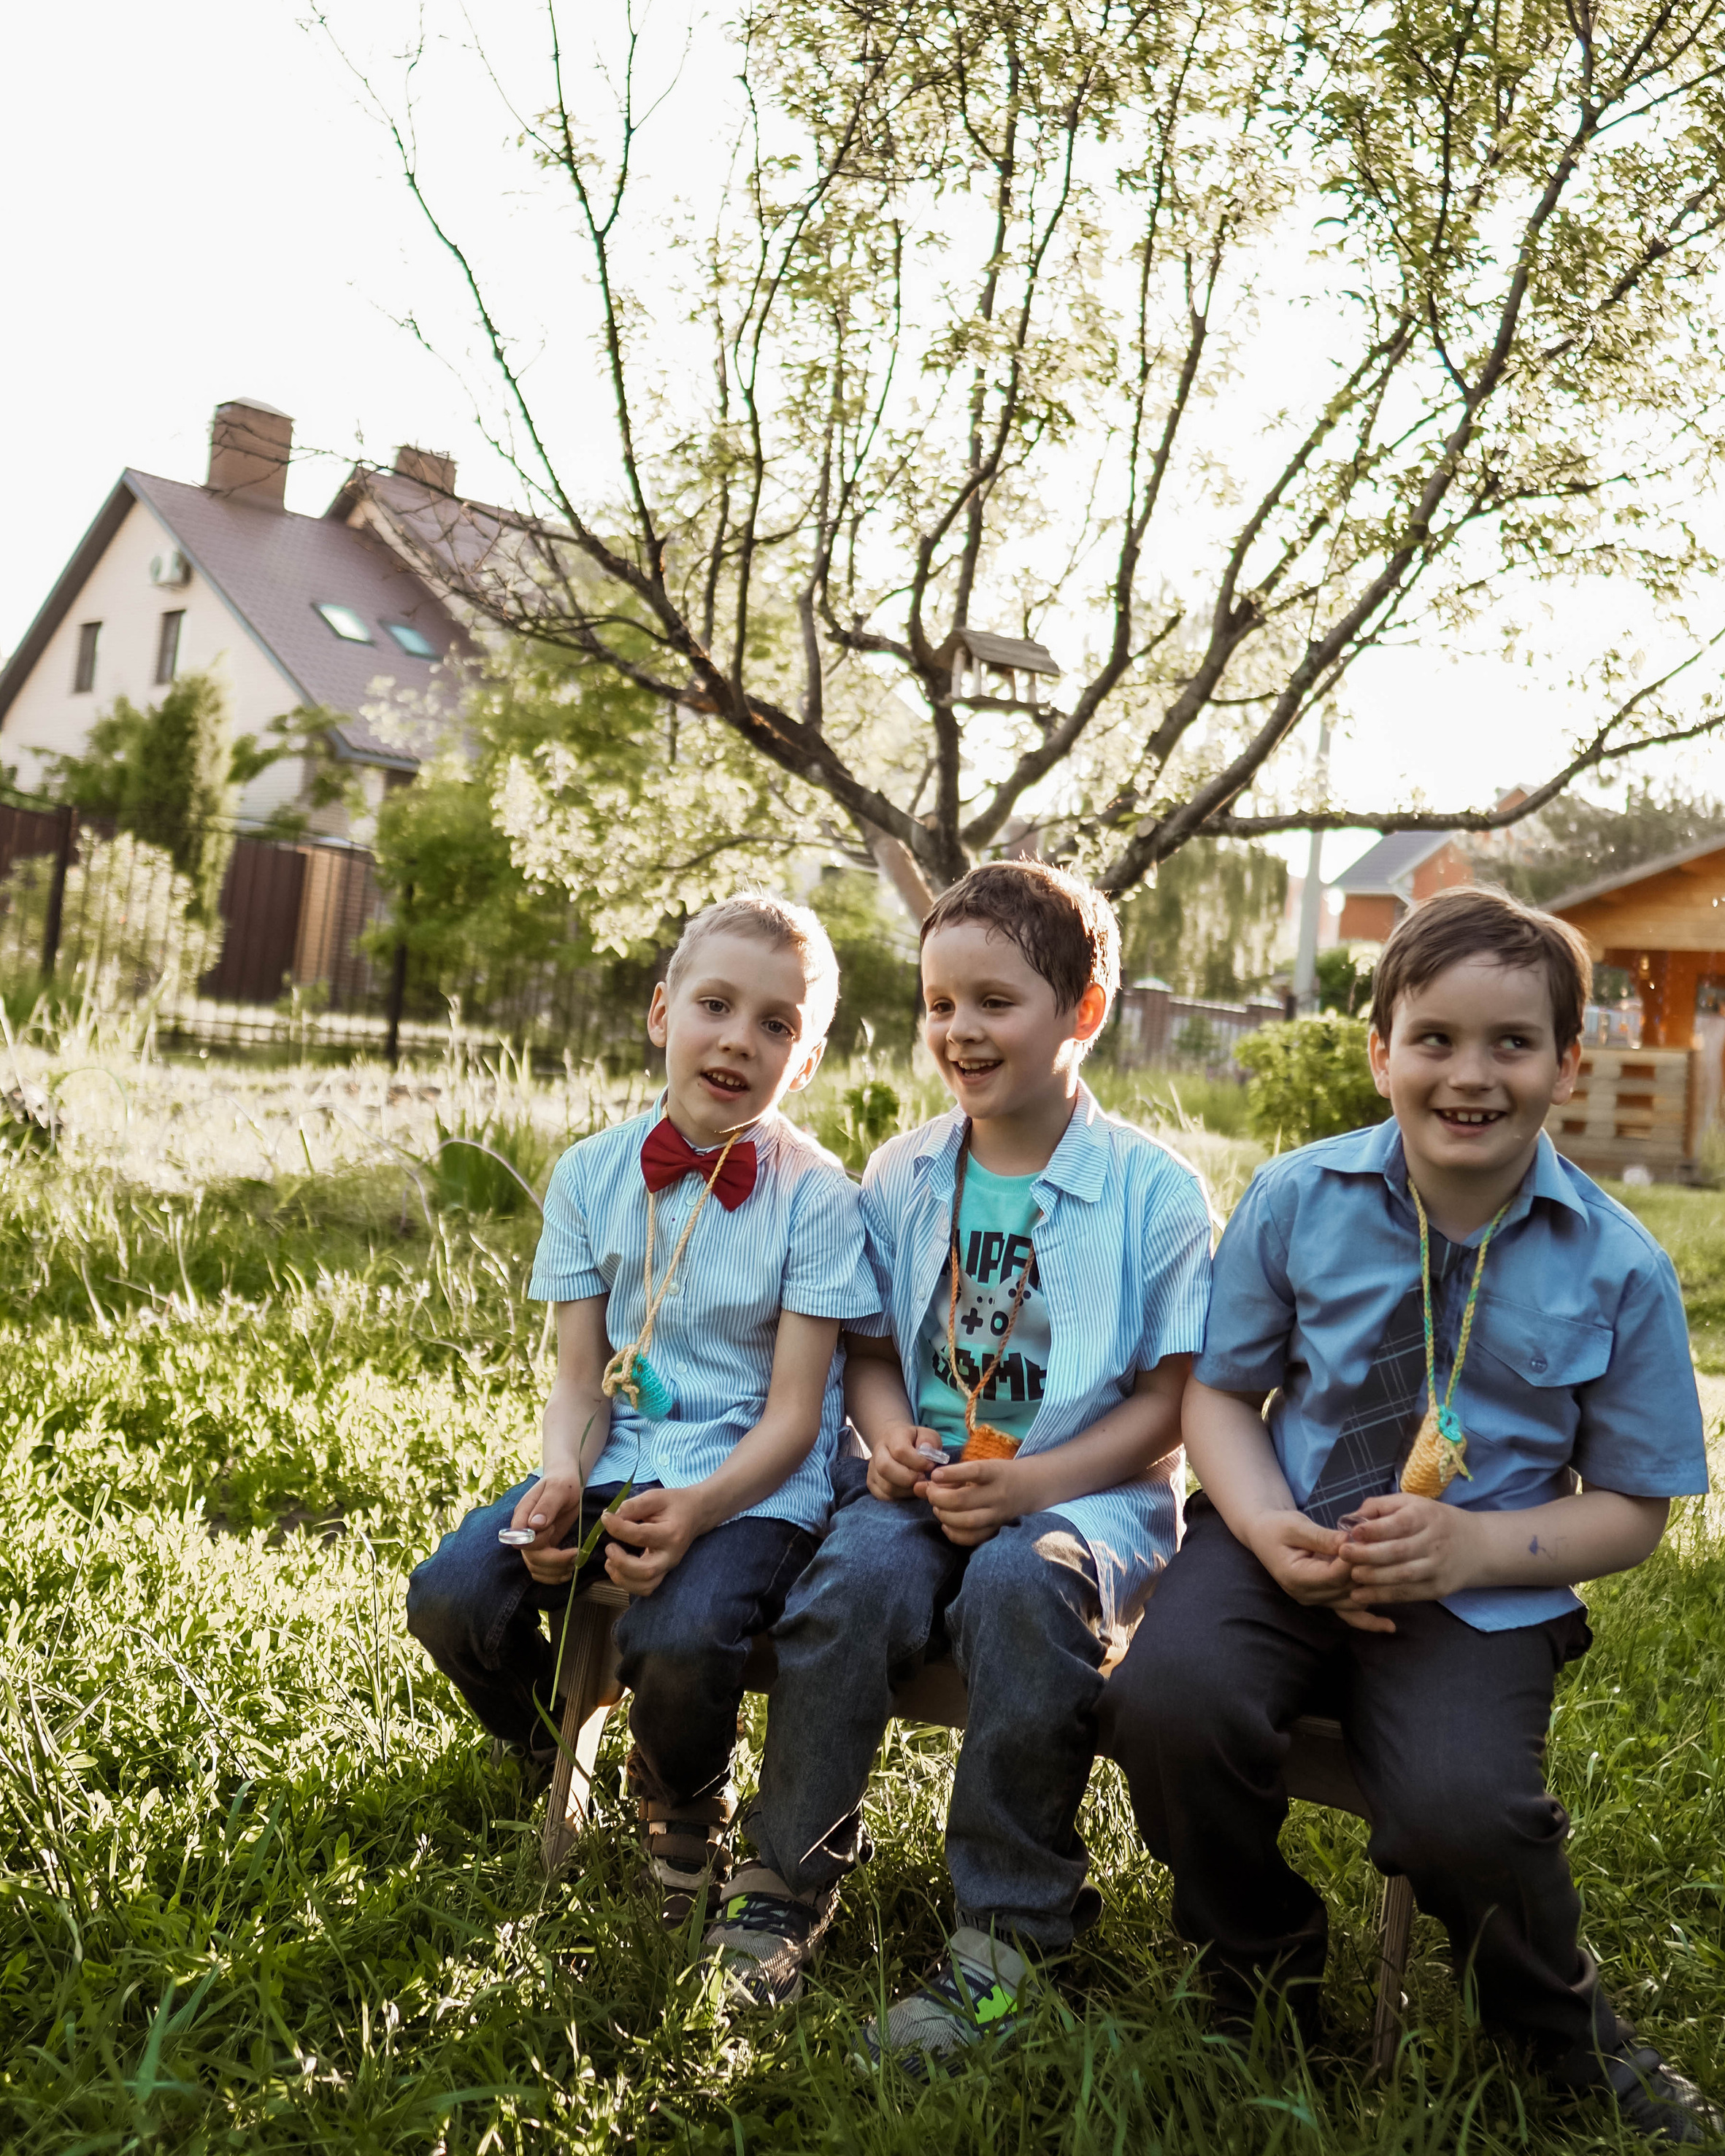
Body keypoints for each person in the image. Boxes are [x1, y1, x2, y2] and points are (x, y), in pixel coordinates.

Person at [1100, 886, 1723, 2144]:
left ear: (1567, 1063)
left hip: (1476, 1588)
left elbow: (1636, 1508)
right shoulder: (1295, 1197)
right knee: (1165, 1702)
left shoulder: (1617, 1264)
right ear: (1380, 1048)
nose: (1470, 1074)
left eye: (1512, 1043)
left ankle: (1558, 2031)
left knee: (1463, 1808)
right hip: (1285, 1539)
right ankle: (1256, 1965)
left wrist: (1476, 1546)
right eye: (1435, 1038)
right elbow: (1222, 1393)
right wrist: (1266, 1522)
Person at [704, 860, 1213, 2072]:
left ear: (1083, 1012)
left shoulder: (1154, 1191)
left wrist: (1036, 1486)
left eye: (996, 1002)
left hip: (1086, 1500)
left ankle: (1011, 1934)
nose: (960, 1031)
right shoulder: (907, 1171)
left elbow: (1177, 1403)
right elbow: (872, 1353)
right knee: (851, 1585)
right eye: (939, 1003)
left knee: (1018, 1591)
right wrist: (887, 1442)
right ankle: (787, 1871)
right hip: (926, 1488)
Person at [405, 895, 880, 1922]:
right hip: (617, 1453)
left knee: (689, 1625)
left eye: (776, 1023)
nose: (738, 1039)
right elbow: (581, 1377)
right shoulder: (590, 1174)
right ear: (663, 1012)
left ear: (804, 1062)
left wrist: (701, 1509)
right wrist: (567, 1471)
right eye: (715, 1003)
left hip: (753, 1481)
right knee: (451, 1592)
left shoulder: (820, 1198)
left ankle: (682, 1797)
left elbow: (800, 1415)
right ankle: (550, 1736)